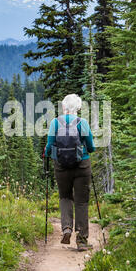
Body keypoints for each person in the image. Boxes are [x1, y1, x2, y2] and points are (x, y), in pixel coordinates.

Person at [45, 94, 95, 251]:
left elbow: (49, 145)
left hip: (61, 167)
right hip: (82, 166)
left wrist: (48, 155)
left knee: (65, 197)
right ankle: (81, 241)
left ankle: (66, 228)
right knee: (81, 201)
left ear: (64, 107)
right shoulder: (82, 123)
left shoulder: (55, 122)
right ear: (78, 108)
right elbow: (91, 146)